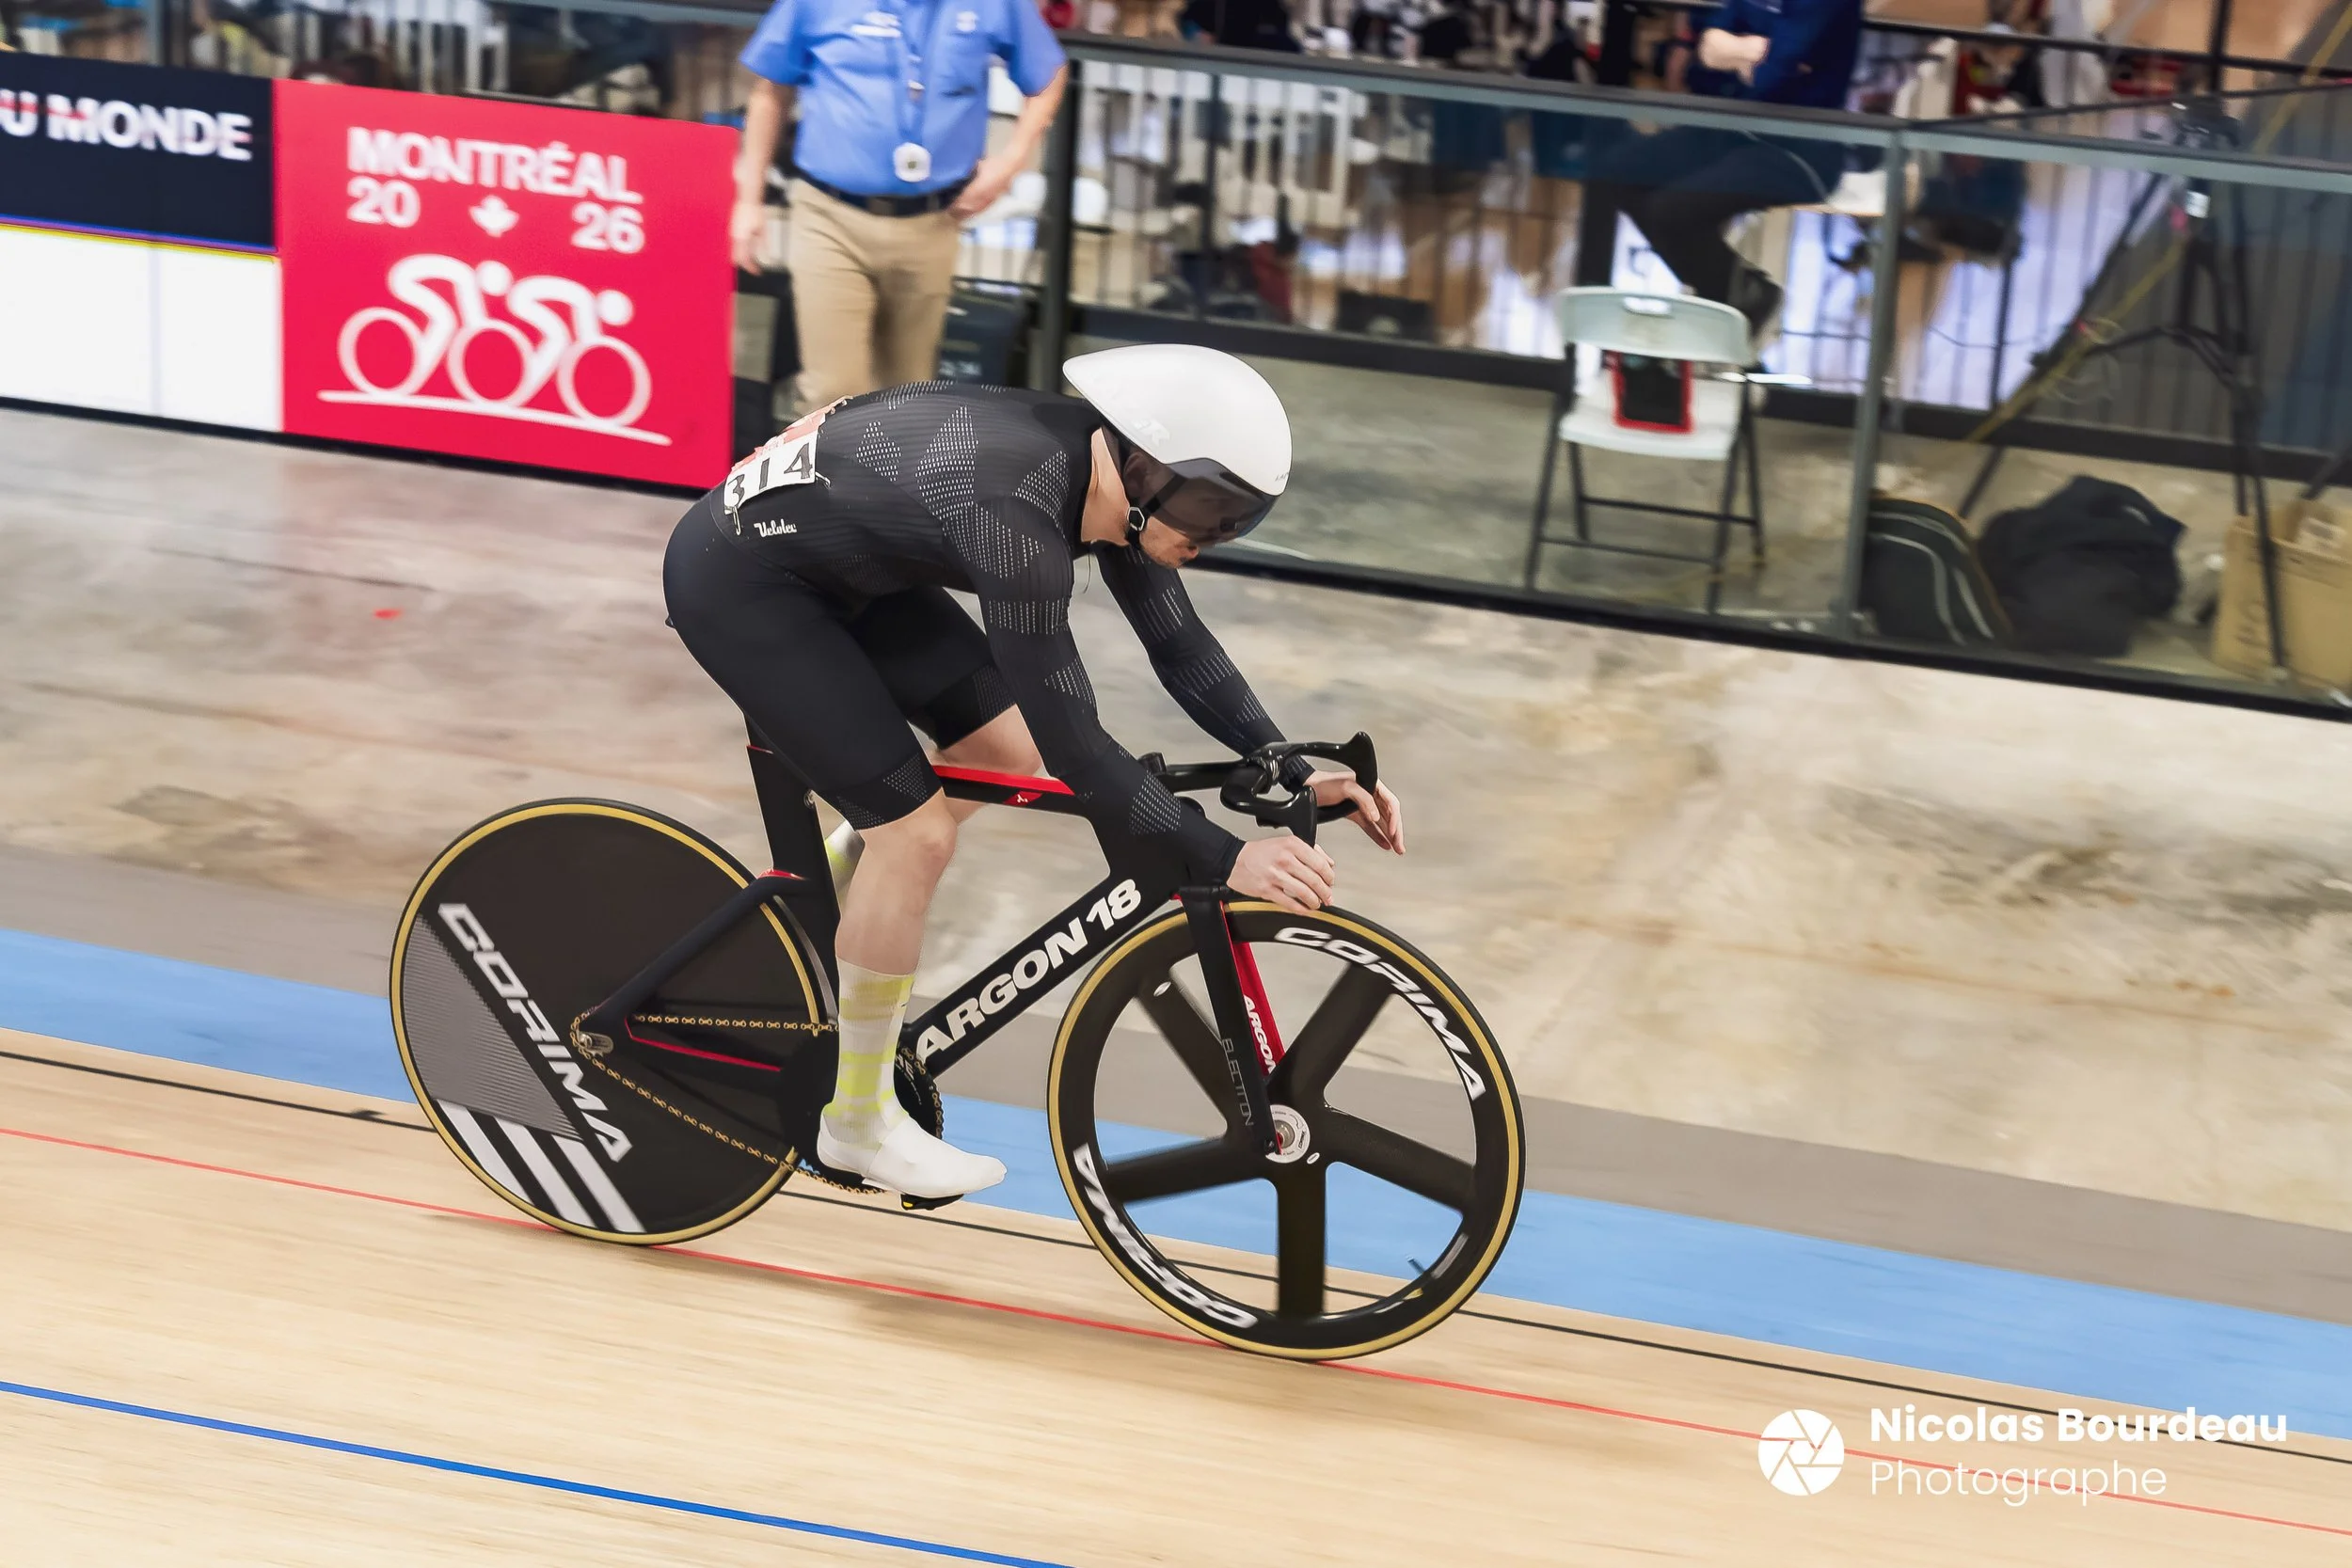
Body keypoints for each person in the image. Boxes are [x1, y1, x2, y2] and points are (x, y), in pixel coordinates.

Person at [661, 347, 1406, 1199]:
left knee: (1002, 754)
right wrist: (1227, 855)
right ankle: (856, 1123)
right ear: (1139, 465)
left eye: (1239, 518)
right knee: (919, 835)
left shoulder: (1111, 482)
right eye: (1207, 509)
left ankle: (832, 902)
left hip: (848, 567)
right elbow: (1080, 747)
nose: (1213, 537)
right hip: (746, 584)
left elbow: (1179, 645)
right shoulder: (1015, 520)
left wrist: (1285, 764)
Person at [731, 0, 1070, 409]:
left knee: (907, 399)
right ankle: (828, 473)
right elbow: (769, 93)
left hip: (933, 223)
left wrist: (1012, 161)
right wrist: (749, 201)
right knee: (832, 395)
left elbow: (1049, 73)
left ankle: (889, 474)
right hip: (829, 218)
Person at [1578, 0, 1864, 337]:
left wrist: (1737, 53)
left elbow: (1772, 78)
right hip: (1732, 130)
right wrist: (1753, 53)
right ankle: (1738, 295)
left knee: (1671, 211)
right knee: (1618, 170)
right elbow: (1706, 55)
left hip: (1799, 150)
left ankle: (1735, 302)